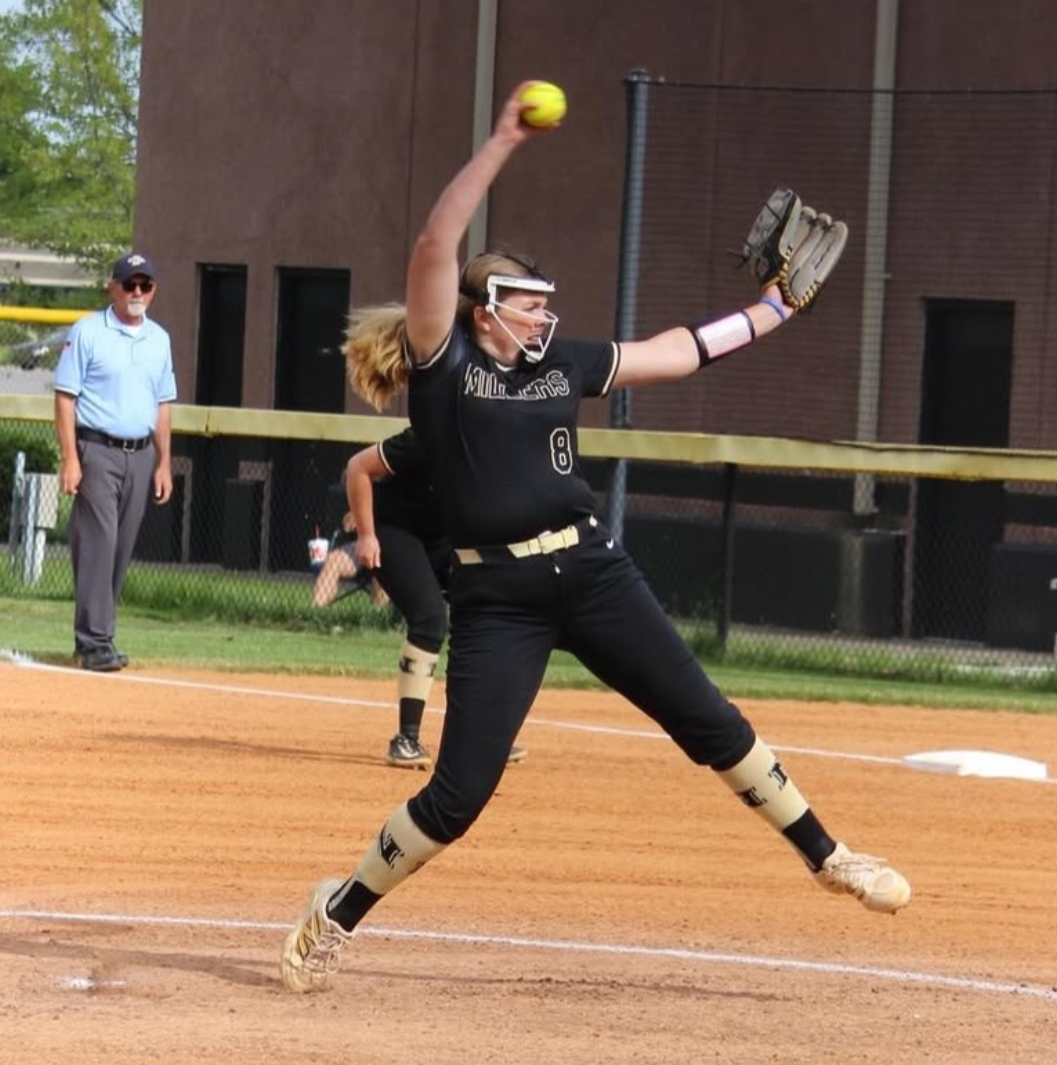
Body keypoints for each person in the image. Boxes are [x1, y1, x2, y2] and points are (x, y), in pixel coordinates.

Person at [281, 82, 910, 994]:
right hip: (497, 597)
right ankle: (335, 910)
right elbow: (434, 246)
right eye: (527, 303)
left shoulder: (562, 364)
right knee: (457, 796)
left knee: (708, 718)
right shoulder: (443, 366)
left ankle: (829, 854)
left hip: (590, 569)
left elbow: (679, 352)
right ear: (483, 309)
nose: (544, 316)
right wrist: (503, 139)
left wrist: (775, 309)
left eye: (546, 304)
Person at [343, 429, 527, 770]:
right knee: (429, 617)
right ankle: (406, 740)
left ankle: (483, 735)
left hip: (444, 537)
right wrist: (366, 535)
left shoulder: (493, 446)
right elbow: (357, 468)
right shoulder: (431, 435)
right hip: (393, 530)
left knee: (487, 611)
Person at [53, 252, 177, 672]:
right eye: (129, 284)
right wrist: (70, 458)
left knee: (120, 549)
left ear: (154, 290)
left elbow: (162, 405)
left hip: (140, 454)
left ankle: (97, 636)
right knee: (98, 543)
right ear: (113, 287)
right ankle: (95, 642)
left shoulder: (159, 339)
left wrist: (164, 462)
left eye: (145, 285)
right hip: (97, 450)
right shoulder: (88, 331)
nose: (137, 292)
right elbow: (65, 398)